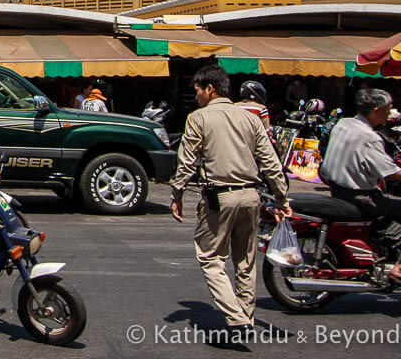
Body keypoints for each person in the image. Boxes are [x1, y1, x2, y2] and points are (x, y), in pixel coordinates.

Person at [170, 65, 291, 340]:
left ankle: (237, 320)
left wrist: (177, 194)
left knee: (210, 258)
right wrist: (282, 197)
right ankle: (245, 318)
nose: (197, 96)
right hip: (251, 196)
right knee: (245, 262)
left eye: (198, 91)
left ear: (210, 89)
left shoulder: (198, 118)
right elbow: (270, 162)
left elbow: (187, 162)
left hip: (219, 197)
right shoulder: (250, 118)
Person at [318, 87, 401, 283]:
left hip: (338, 189)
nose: (390, 113)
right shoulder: (369, 137)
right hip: (360, 196)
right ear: (375, 110)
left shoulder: (343, 123)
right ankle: (398, 268)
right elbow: (390, 173)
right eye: (387, 109)